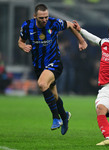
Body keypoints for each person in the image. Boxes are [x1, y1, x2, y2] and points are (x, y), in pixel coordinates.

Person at [18, 4, 87, 135]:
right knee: (54, 96)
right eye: (41, 18)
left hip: (54, 62)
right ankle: (64, 116)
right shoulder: (27, 26)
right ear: (34, 16)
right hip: (39, 66)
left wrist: (81, 41)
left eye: (46, 17)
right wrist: (23, 46)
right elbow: (20, 41)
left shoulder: (54, 23)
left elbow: (71, 25)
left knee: (42, 84)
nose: (44, 20)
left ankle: (56, 118)